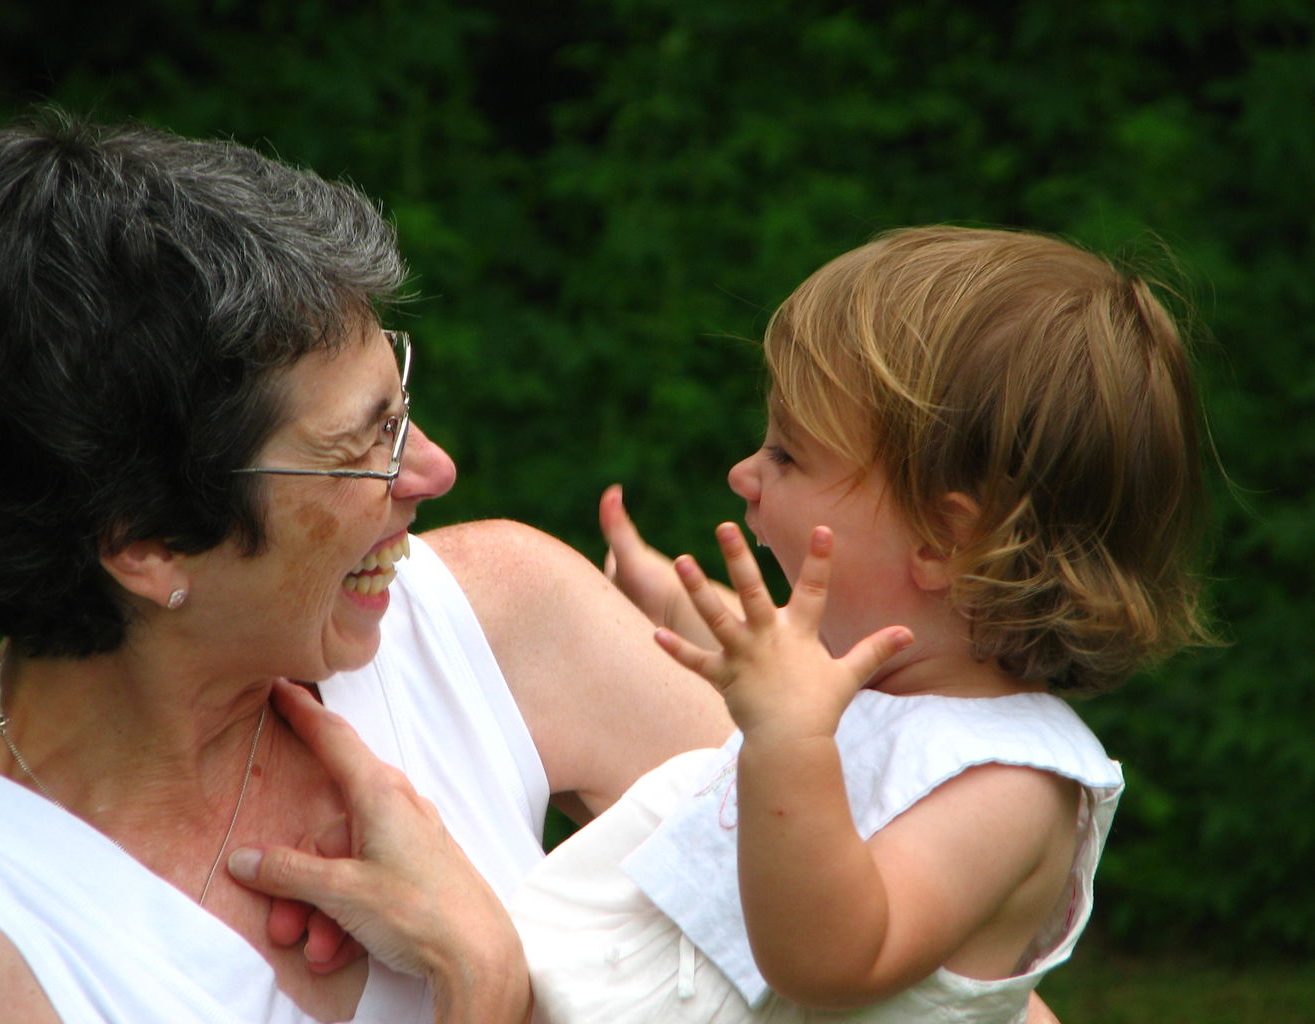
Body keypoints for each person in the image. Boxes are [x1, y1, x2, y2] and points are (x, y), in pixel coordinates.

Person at [254, 227, 1206, 1024]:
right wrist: (673, 613)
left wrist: (786, 734)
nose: (745, 474)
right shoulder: (863, 678)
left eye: (788, 453)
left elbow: (829, 960)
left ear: (943, 542)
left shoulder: (1013, 785)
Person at [0, 109, 733, 1023]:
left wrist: (787, 702)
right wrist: (481, 978)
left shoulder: (505, 620)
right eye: (361, 445)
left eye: (399, 407)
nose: (434, 471)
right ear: (148, 544)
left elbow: (896, 943)